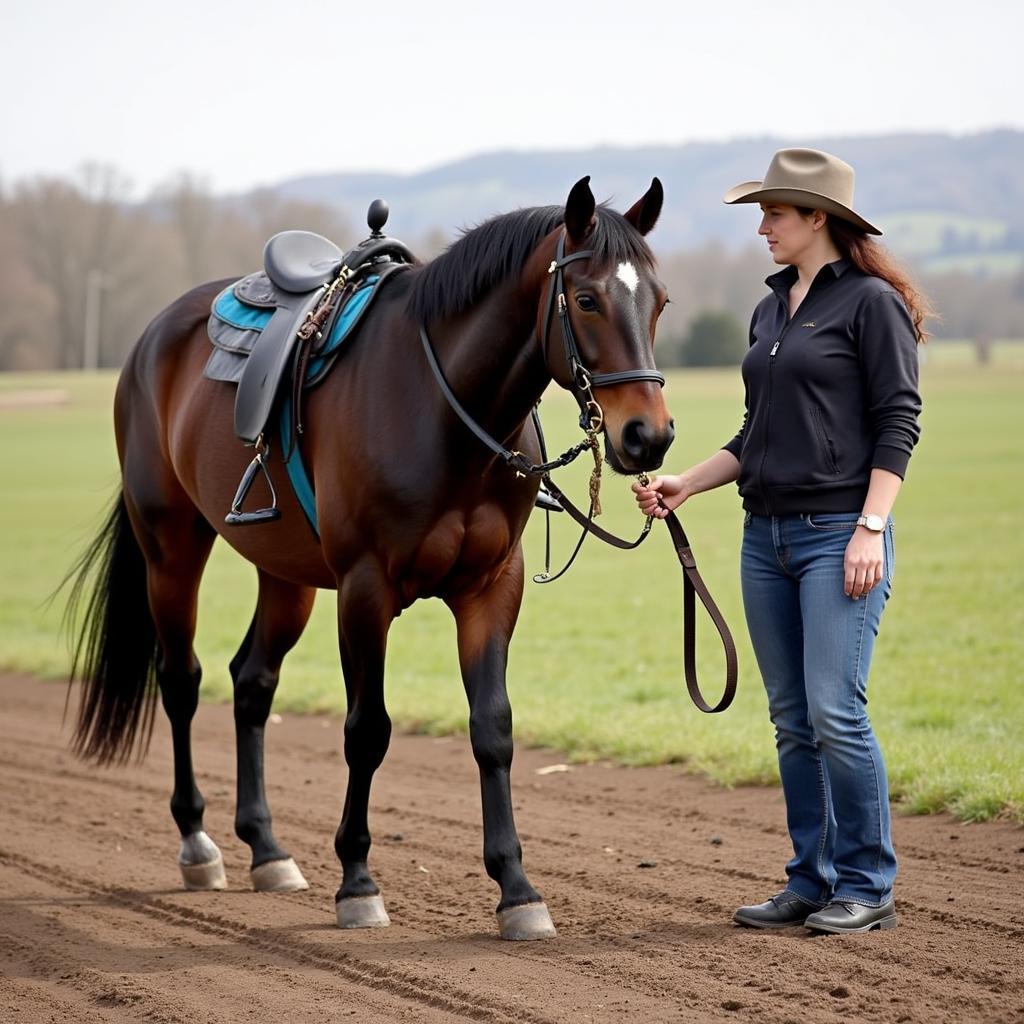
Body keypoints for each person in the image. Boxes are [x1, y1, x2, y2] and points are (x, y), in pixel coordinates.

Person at [634, 148, 927, 934]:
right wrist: (686, 482)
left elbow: (899, 422)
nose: (762, 227)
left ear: (817, 218)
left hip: (839, 535)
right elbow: (756, 433)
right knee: (792, 717)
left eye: (775, 213)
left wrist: (871, 527)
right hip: (764, 540)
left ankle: (867, 885)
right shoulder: (770, 310)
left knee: (837, 711)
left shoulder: (870, 305)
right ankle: (811, 878)